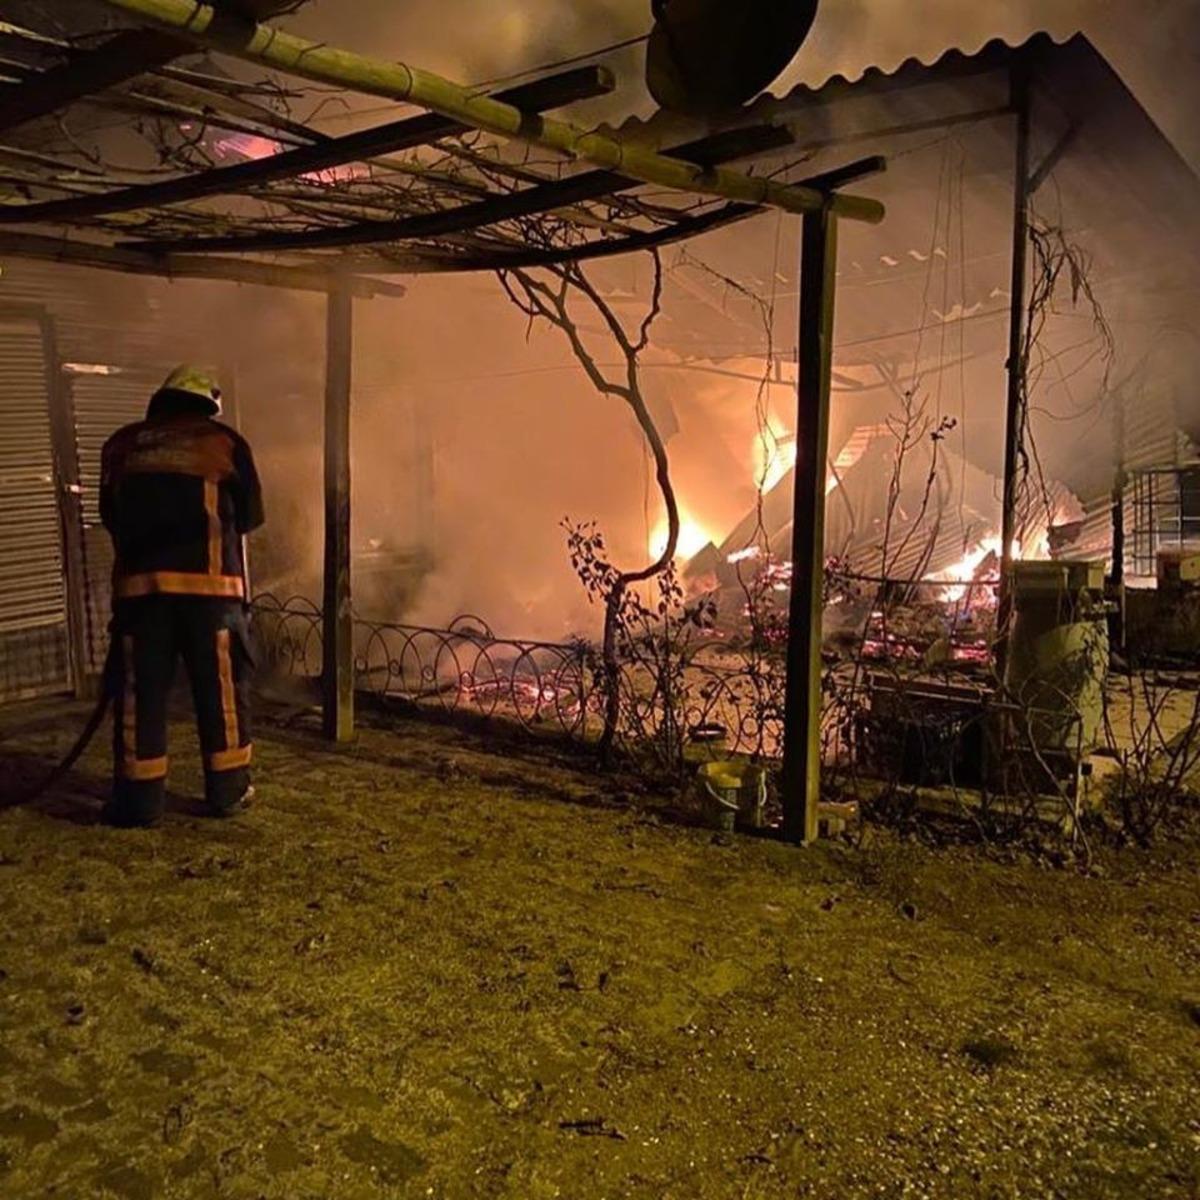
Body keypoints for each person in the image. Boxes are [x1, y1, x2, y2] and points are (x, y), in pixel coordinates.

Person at [98, 365, 264, 827]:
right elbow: (250, 515)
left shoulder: (123, 444)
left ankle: (140, 802)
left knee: (140, 697)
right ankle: (229, 793)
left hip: (141, 595)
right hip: (211, 596)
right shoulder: (225, 444)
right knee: (222, 697)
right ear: (207, 406)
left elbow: (110, 513)